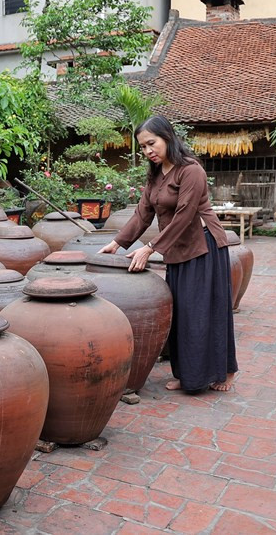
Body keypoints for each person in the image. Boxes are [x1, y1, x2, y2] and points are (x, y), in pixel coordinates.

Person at [99, 115, 237, 392]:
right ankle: (188, 374)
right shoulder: (156, 174)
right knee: (181, 313)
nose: (149, 151)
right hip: (177, 248)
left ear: (168, 137)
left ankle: (223, 372)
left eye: (152, 143)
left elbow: (185, 215)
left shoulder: (191, 170)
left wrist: (150, 249)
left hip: (203, 246)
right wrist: (117, 242)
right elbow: (143, 213)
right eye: (144, 147)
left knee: (204, 312)